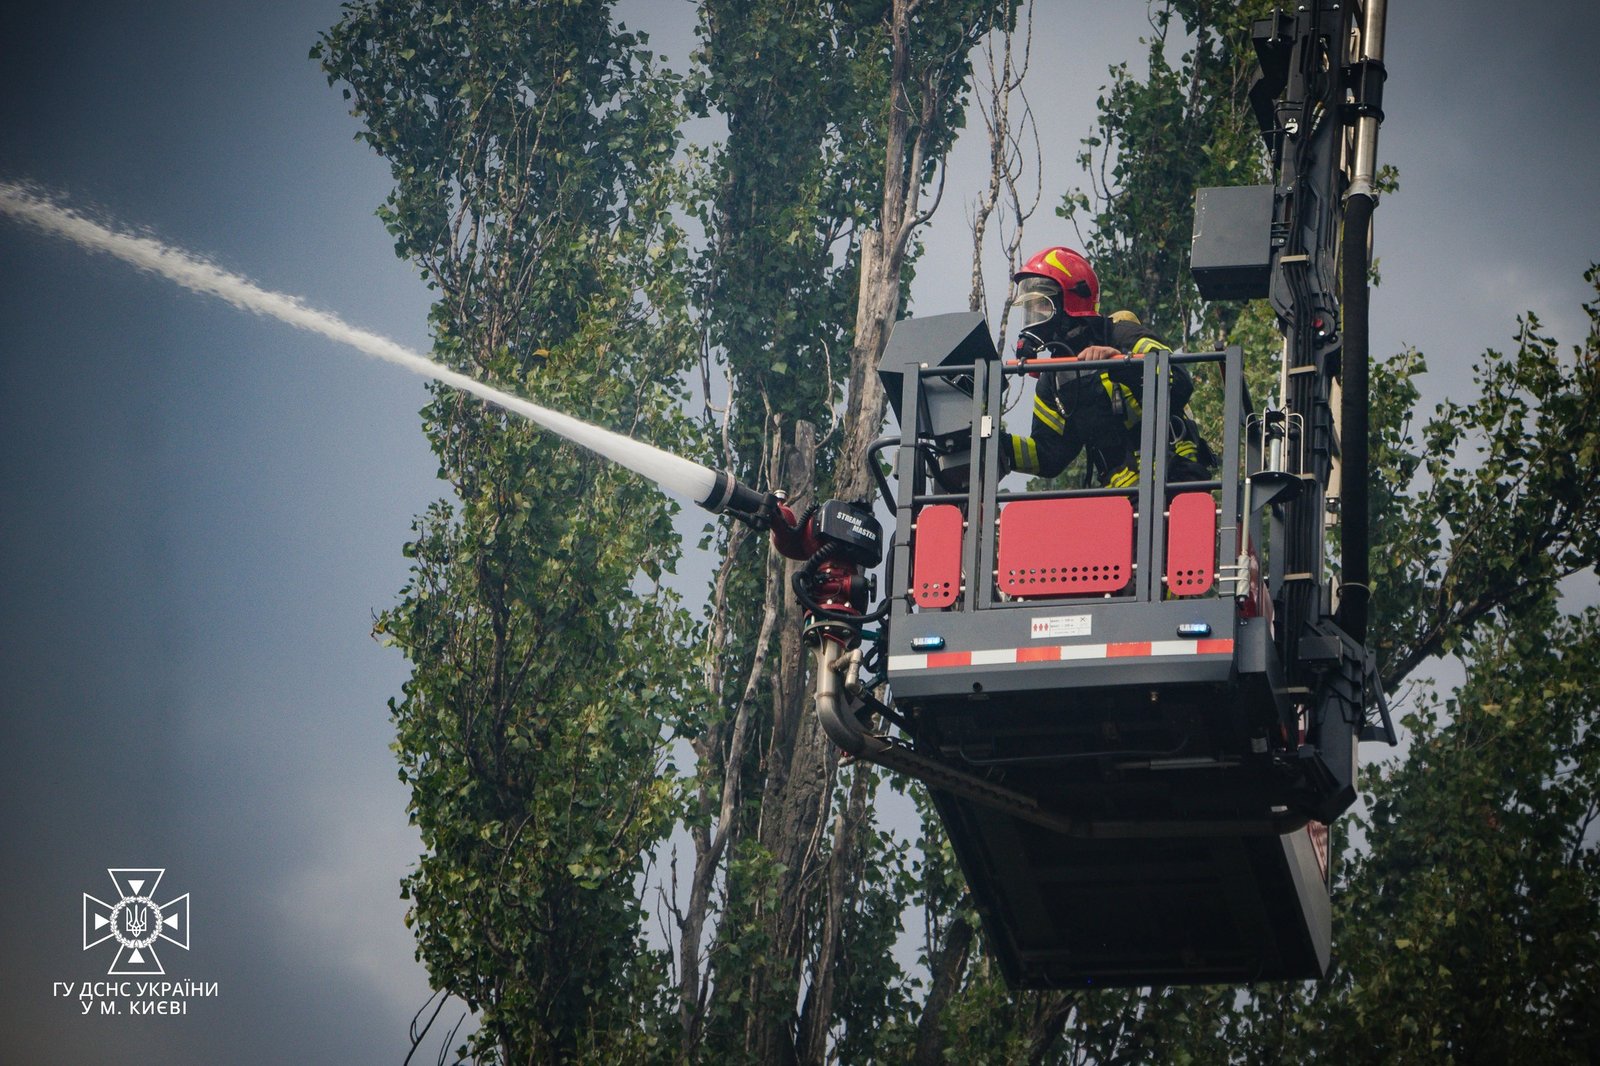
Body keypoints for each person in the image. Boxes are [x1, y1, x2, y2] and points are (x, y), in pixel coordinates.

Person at [1000, 246, 1213, 487]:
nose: (1035, 318)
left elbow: (1178, 382)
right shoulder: (1055, 378)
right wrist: (996, 444)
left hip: (1176, 476)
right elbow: (1048, 455)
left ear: (1070, 299)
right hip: (1121, 497)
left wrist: (1121, 362)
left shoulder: (1124, 335)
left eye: (1043, 306)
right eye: (1031, 309)